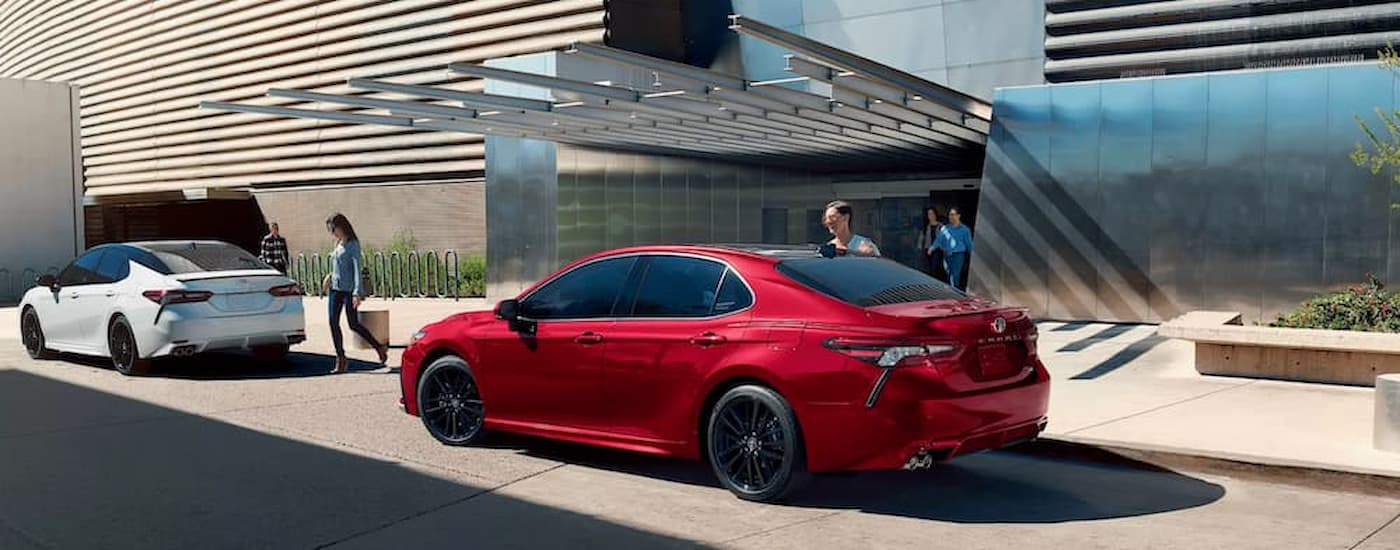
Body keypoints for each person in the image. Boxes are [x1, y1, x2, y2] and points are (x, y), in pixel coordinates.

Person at [321, 213, 387, 373]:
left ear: (342, 226)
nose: (332, 232)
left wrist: (358, 293)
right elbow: (338, 264)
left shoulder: (352, 244)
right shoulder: (337, 243)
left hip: (349, 290)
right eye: (330, 229)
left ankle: (378, 347)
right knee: (332, 322)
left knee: (353, 324)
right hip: (335, 289)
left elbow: (357, 269)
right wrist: (329, 276)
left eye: (333, 228)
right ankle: (341, 358)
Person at [930, 208, 973, 290]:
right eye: (950, 215)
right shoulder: (945, 228)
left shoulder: (965, 230)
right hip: (947, 255)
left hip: (958, 255)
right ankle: (951, 293)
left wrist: (972, 256)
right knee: (948, 274)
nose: (951, 217)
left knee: (954, 275)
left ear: (958, 216)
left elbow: (969, 244)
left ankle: (954, 294)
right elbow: (939, 239)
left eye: (953, 215)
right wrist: (932, 247)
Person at [915, 207, 947, 282]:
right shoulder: (926, 226)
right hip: (927, 249)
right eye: (929, 214)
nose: (931, 216)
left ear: (935, 215)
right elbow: (921, 237)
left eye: (932, 214)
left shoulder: (941, 226)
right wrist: (919, 247)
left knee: (935, 267)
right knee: (927, 268)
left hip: (938, 250)